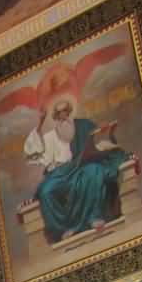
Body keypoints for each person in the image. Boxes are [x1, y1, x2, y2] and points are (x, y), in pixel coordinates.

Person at [22, 94, 129, 245]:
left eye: (65, 111)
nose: (63, 115)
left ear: (70, 111)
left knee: (94, 171)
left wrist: (109, 133)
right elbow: (33, 153)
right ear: (55, 116)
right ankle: (64, 229)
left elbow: (100, 143)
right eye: (59, 113)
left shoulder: (84, 125)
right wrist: (40, 123)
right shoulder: (50, 137)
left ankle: (94, 217)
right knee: (46, 191)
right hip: (60, 173)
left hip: (83, 166)